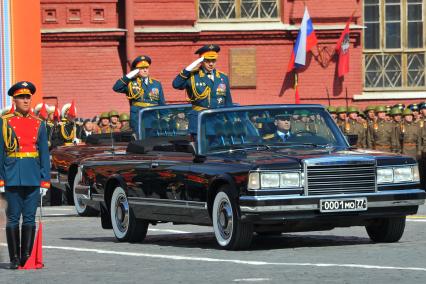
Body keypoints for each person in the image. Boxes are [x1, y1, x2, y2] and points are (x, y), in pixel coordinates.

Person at [0, 81, 50, 269]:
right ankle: (14, 258)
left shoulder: (39, 123)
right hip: (12, 175)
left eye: (28, 97)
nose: (26, 100)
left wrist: (44, 180)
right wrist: (1, 179)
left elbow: (44, 153)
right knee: (13, 218)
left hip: (32, 175)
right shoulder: (4, 122)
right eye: (22, 97)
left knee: (29, 217)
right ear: (14, 99)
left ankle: (27, 256)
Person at [172, 44, 233, 136]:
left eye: (213, 60)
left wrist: (230, 121)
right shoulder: (193, 76)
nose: (211, 63)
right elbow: (176, 84)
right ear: (201, 61)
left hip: (218, 122)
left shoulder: (223, 77)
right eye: (207, 60)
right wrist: (189, 68)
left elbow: (228, 102)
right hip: (199, 121)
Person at [113, 55, 165, 133]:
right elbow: (116, 87)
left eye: (146, 68)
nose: (145, 70)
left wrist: (165, 117)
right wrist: (129, 76)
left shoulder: (156, 83)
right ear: (136, 70)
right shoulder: (131, 83)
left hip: (153, 118)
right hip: (138, 118)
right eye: (141, 68)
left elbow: (161, 103)